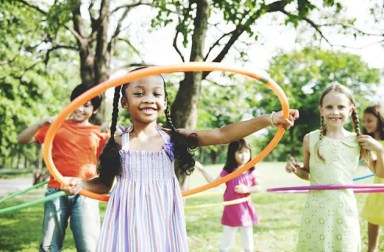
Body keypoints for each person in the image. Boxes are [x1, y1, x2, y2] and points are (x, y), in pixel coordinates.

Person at [63, 72, 299, 251]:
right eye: (138, 93)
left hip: (163, 221)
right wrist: (80, 185)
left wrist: (271, 119)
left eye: (156, 94)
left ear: (165, 102)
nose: (148, 99)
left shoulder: (173, 138)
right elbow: (103, 184)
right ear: (124, 102)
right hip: (126, 222)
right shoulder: (117, 141)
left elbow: (223, 134)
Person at [285, 84, 384, 251]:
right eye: (329, 107)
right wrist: (296, 169)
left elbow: (380, 173)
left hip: (344, 208)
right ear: (321, 110)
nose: (335, 112)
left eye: (341, 107)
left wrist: (380, 150)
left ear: (351, 110)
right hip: (317, 208)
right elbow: (308, 174)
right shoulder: (311, 139)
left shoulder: (357, 141)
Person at [17, 84, 109, 252]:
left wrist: (111, 132)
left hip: (85, 192)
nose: (80, 108)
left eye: (87, 105)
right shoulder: (56, 126)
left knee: (89, 245)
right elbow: (22, 139)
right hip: (56, 190)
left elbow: (113, 157)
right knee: (49, 245)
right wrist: (40, 123)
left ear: (94, 110)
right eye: (77, 102)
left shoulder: (99, 132)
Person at [195, 139, 261, 252]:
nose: (244, 155)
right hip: (231, 210)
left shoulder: (251, 171)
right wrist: (202, 170)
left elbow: (258, 187)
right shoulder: (228, 171)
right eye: (240, 152)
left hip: (245, 210)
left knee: (248, 241)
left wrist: (247, 189)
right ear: (232, 153)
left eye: (246, 151)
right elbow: (214, 183)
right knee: (227, 240)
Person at [360, 105, 384, 252]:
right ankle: (371, 249)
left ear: (380, 120)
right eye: (364, 121)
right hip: (378, 188)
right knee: (373, 219)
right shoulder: (366, 145)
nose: (365, 124)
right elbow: (376, 170)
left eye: (369, 120)